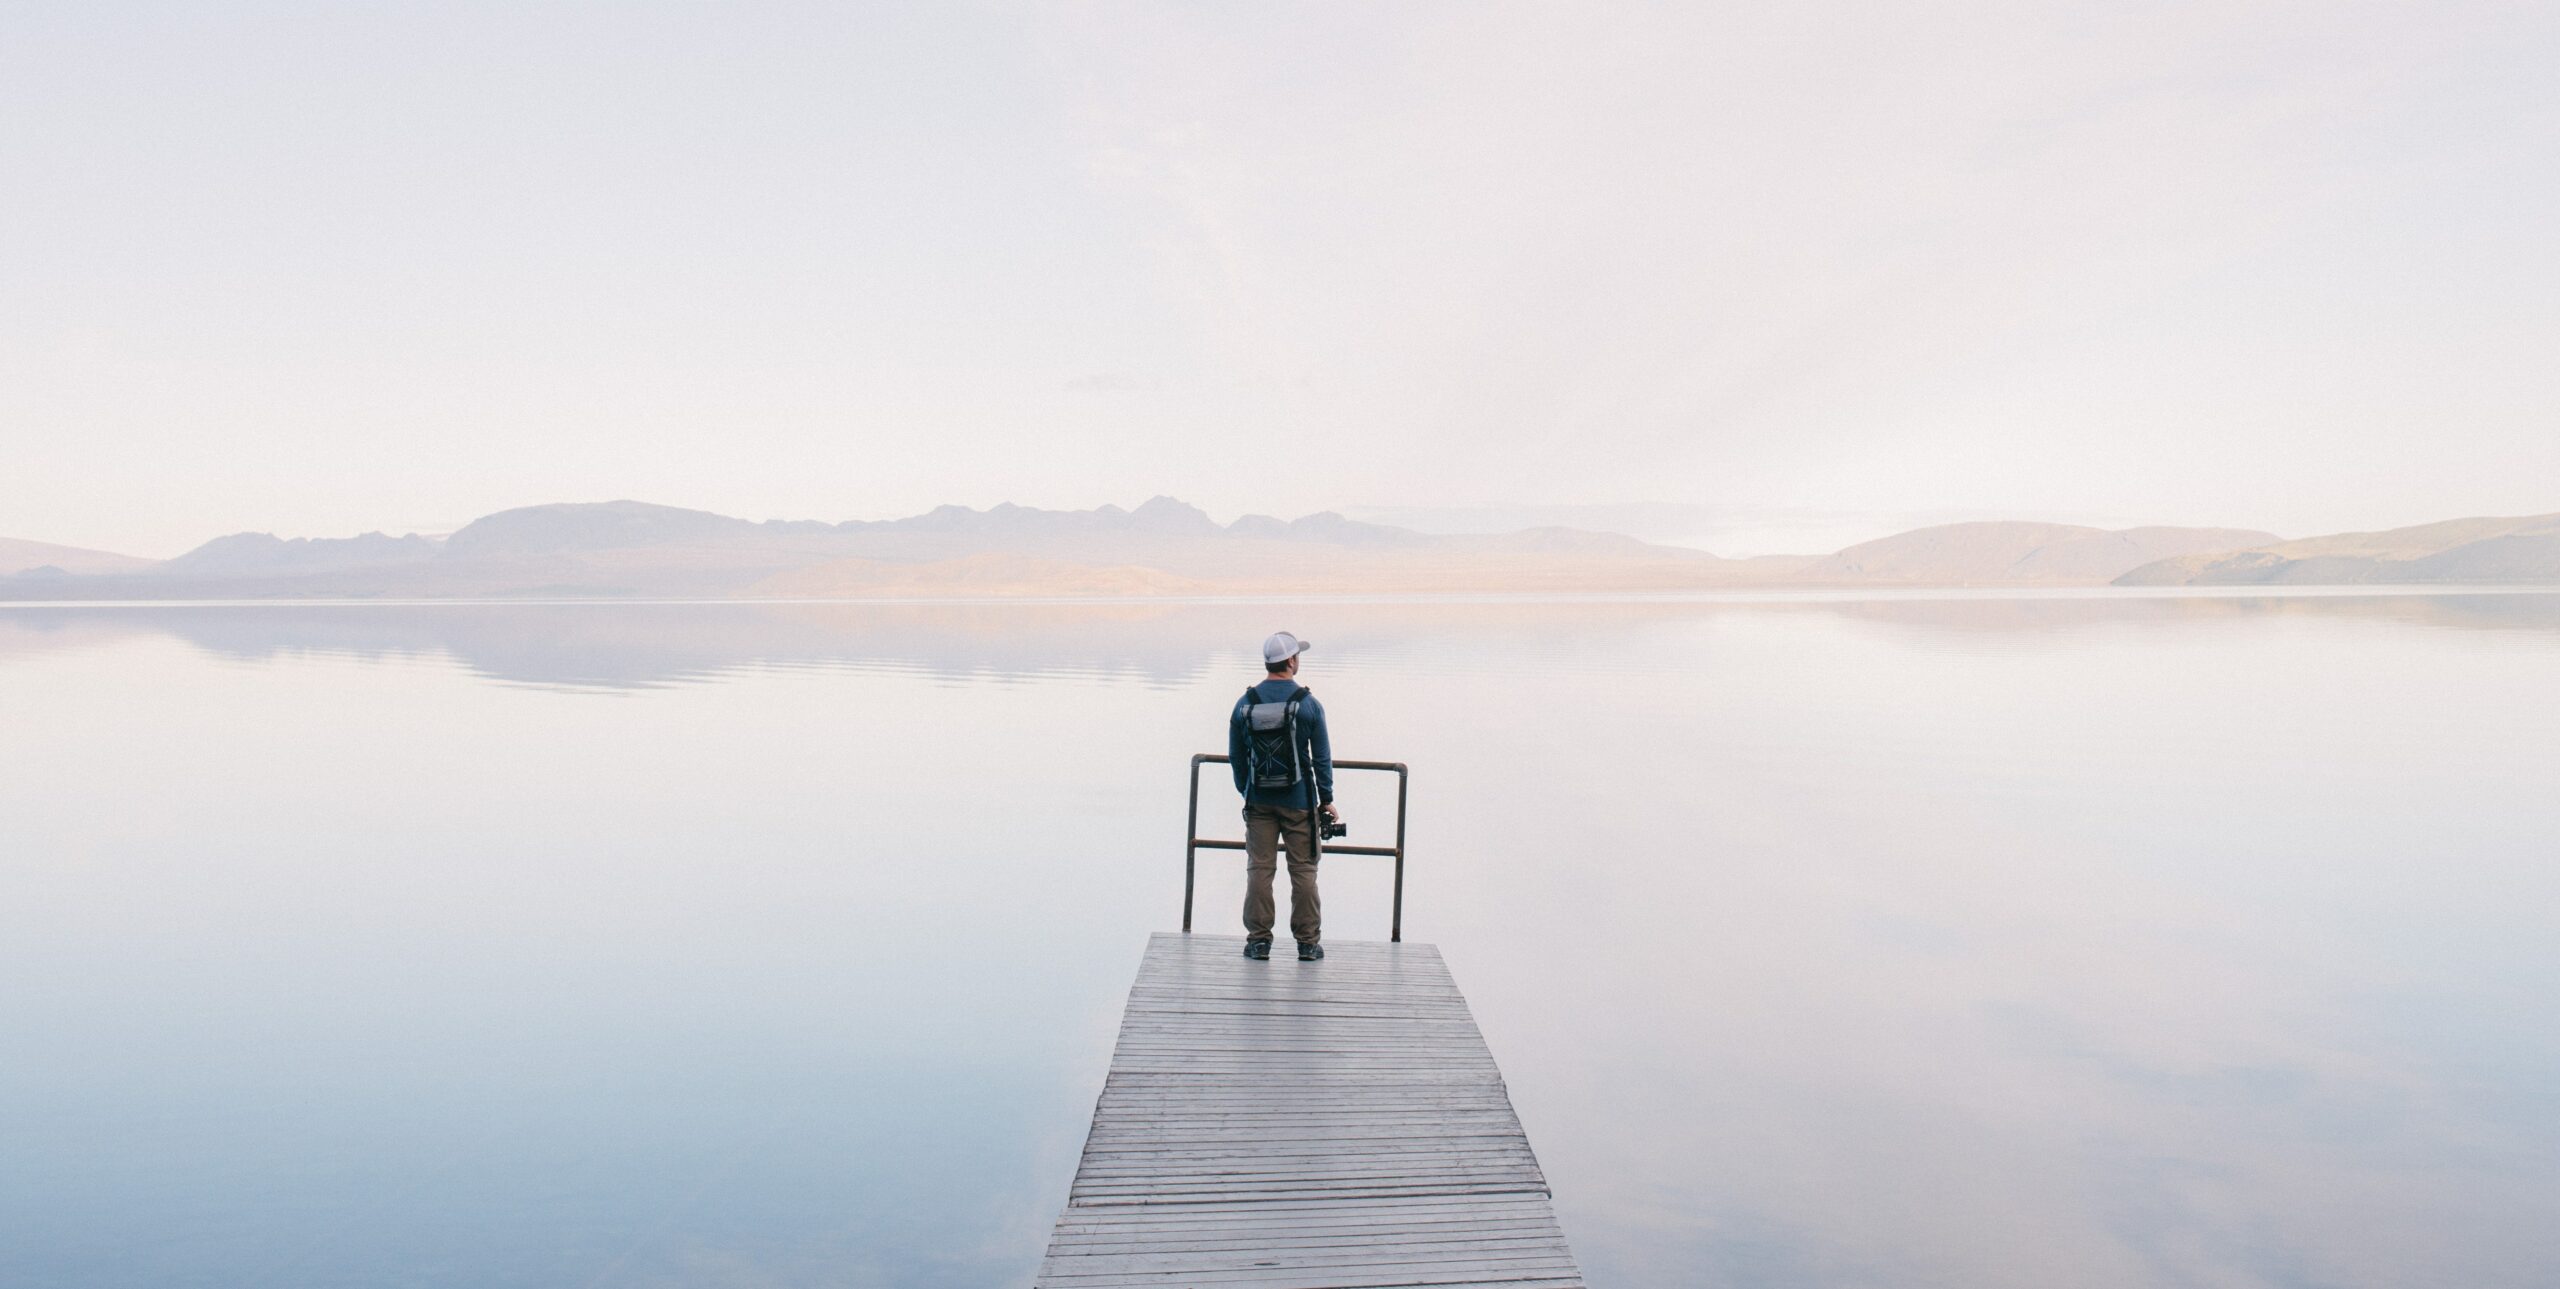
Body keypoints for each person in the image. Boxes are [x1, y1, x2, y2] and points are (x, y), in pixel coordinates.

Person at [1228, 630, 1338, 961]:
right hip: (1300, 802)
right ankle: (1307, 943)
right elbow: (1321, 759)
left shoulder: (1245, 703)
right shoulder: (1308, 704)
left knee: (1260, 869)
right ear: (1291, 661)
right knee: (1303, 871)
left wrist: (1248, 790)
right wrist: (1326, 798)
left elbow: (1236, 757)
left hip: (1258, 802)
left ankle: (1258, 941)